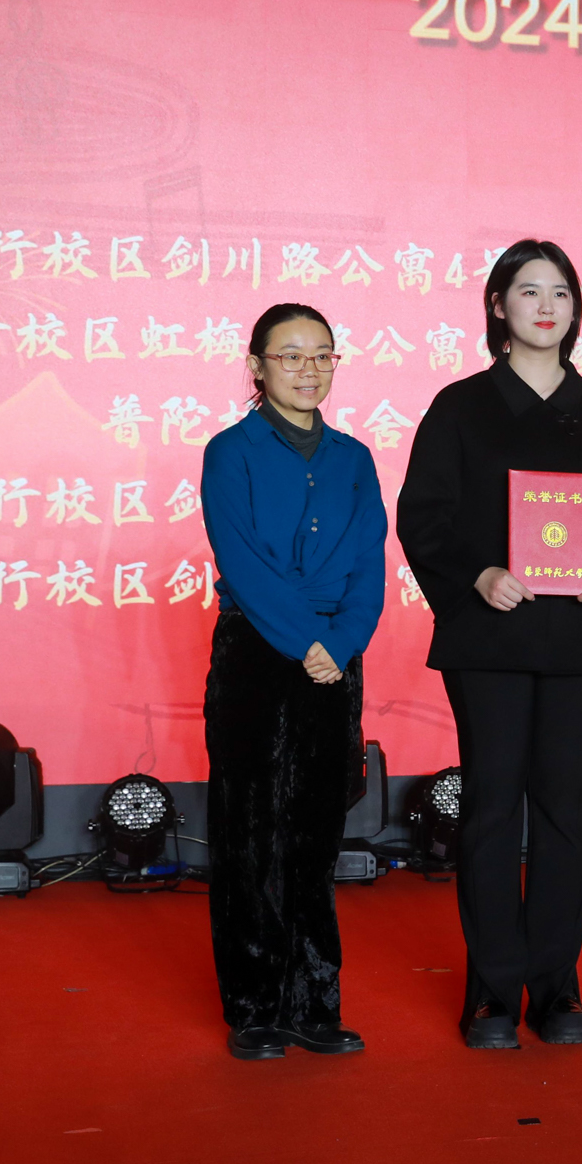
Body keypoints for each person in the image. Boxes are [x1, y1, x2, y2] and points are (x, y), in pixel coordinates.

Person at [397, 238, 582, 1050]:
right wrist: (477, 574)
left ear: (576, 309)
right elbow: (423, 516)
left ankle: (556, 986)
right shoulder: (460, 406)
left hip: (578, 634)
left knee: (561, 807)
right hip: (488, 634)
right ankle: (491, 991)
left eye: (561, 293)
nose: (547, 306)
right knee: (490, 806)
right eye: (528, 290)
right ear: (497, 305)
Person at [201, 303, 386, 1061]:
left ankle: (314, 1002)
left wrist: (339, 644)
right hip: (257, 652)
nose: (309, 370)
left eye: (322, 355)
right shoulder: (230, 451)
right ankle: (255, 1007)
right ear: (256, 366)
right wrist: (307, 640)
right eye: (290, 355)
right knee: (250, 832)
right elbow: (243, 563)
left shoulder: (354, 458)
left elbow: (370, 564)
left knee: (316, 832)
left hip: (334, 658)